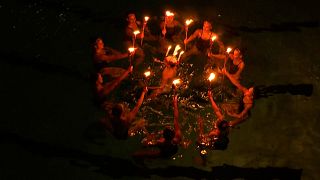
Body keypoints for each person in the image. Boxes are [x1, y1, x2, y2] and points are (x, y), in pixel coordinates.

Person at [132, 94, 182, 158]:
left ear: (163, 135)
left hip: (163, 155)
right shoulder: (178, 135)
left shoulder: (161, 142)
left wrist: (146, 134)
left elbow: (145, 144)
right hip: (173, 152)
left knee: (136, 155)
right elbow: (176, 117)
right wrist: (175, 103)